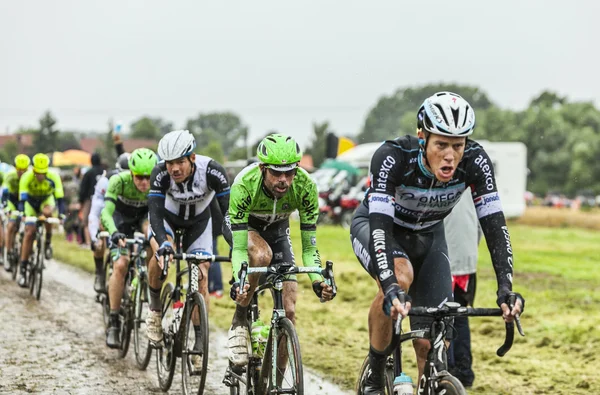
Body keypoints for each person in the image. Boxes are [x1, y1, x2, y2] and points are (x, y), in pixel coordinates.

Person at [349, 91, 525, 394]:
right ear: (422, 137)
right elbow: (379, 226)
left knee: (429, 338)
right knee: (400, 276)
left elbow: (495, 227)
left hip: (430, 237)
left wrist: (506, 289)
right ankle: (375, 371)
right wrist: (390, 285)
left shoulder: (476, 161)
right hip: (380, 229)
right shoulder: (393, 157)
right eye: (441, 144)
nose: (450, 155)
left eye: (458, 146)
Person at [224, 133, 335, 367]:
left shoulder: (305, 187)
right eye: (276, 172)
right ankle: (239, 320)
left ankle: (278, 377)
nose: (283, 179)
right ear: (263, 168)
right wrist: (238, 280)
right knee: (262, 255)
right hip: (246, 227)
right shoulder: (245, 184)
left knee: (290, 311)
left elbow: (309, 247)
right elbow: (240, 249)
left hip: (277, 229)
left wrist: (318, 281)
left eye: (290, 172)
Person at [145, 130, 230, 369]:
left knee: (202, 272)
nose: (174, 168)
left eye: (180, 162)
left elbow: (229, 216)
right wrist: (163, 243)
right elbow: (155, 214)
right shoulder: (160, 174)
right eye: (170, 163)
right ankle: (154, 310)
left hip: (199, 223)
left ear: (192, 158)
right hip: (168, 222)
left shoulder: (213, 171)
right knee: (160, 256)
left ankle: (200, 342)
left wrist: (238, 246)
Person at [101, 148, 157, 348]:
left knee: (153, 239)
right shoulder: (118, 181)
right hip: (120, 222)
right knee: (121, 264)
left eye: (148, 177)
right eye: (139, 177)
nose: (144, 182)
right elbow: (106, 212)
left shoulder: (157, 183)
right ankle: (114, 322)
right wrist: (114, 232)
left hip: (142, 220)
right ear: (131, 173)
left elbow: (157, 217)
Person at [444, 193, 481, 387]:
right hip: (467, 261)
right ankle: (464, 369)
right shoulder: (471, 182)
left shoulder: (440, 184)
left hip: (445, 259)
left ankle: (448, 368)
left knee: (443, 316)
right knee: (460, 314)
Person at [17, 153, 66, 287]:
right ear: (33, 169)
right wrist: (23, 214)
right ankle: (23, 268)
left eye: (43, 173)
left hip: (45, 200)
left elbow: (60, 199)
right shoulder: (26, 177)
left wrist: (61, 215)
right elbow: (22, 200)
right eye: (38, 173)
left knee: (48, 213)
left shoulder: (54, 177)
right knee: (29, 231)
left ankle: (48, 242)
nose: (40, 176)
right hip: (30, 203)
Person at [89, 152, 131, 293]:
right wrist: (95, 234)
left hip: (123, 216)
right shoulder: (106, 181)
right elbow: (96, 211)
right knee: (99, 243)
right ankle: (99, 272)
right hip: (106, 212)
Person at [1, 154, 31, 271]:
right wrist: (5, 207)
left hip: (26, 202)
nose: (22, 173)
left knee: (30, 227)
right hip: (12, 200)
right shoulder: (10, 176)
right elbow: (5, 194)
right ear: (15, 168)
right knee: (11, 225)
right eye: (19, 170)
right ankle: (8, 253)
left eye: (24, 170)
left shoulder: (30, 176)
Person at [79, 153, 104, 248]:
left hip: (89, 200)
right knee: (101, 222)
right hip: (103, 199)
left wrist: (81, 201)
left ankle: (89, 242)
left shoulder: (88, 173)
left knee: (86, 221)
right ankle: (101, 242)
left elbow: (83, 188)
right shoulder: (104, 172)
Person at [208, 198, 224, 298]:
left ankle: (217, 287)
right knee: (212, 256)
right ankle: (213, 287)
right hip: (213, 223)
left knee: (213, 257)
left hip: (212, 225)